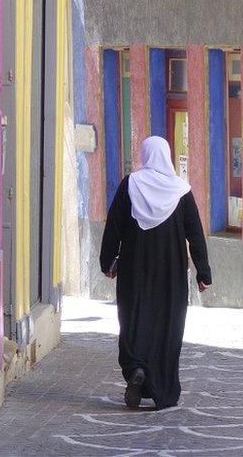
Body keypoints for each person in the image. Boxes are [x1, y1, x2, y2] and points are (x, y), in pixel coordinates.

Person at [100, 136, 211, 410]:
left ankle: (137, 366)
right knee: (167, 325)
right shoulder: (181, 191)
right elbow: (195, 234)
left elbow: (114, 225)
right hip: (170, 273)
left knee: (134, 318)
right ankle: (162, 388)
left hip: (134, 269)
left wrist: (108, 262)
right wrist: (203, 272)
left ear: (146, 155)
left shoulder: (131, 184)